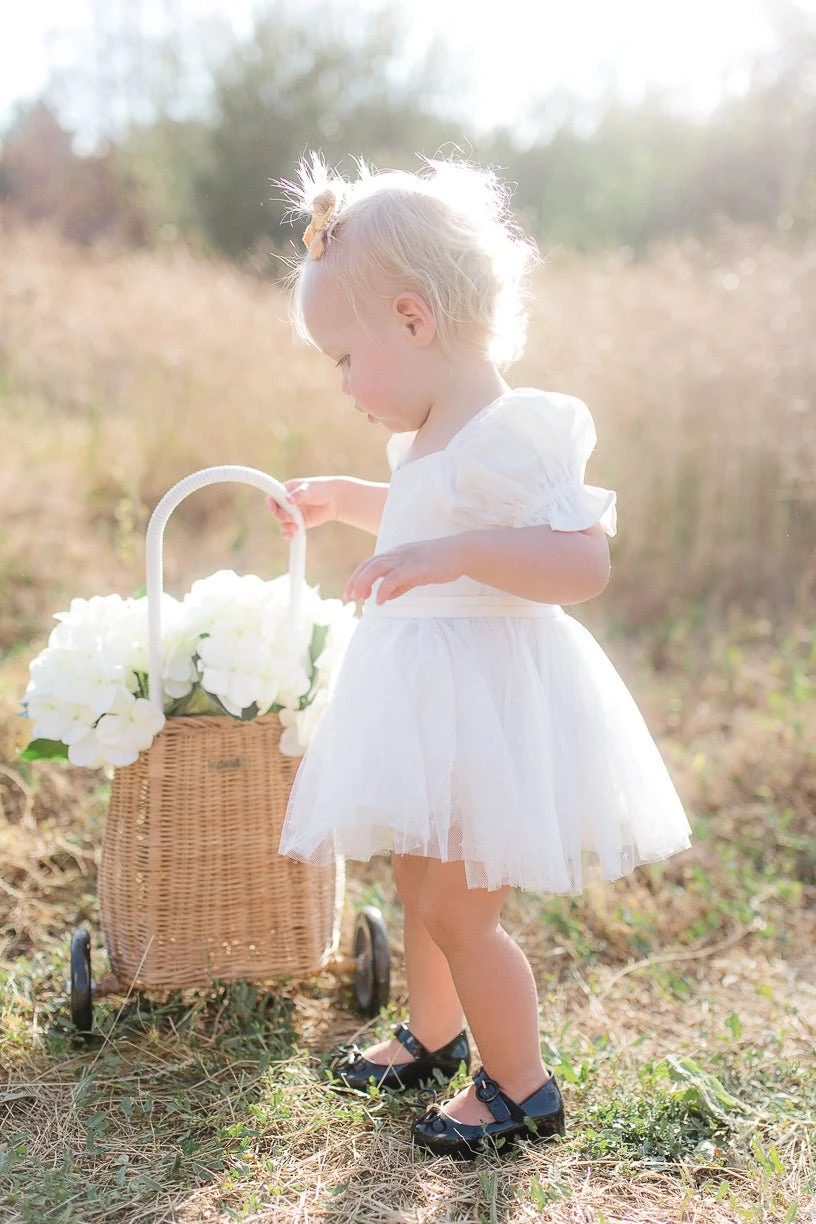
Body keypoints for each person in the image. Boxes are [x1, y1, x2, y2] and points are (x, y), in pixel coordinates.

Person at [267, 153, 692, 1159]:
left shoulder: (518, 431)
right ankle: (434, 1031)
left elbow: (579, 561)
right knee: (420, 887)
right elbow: (424, 509)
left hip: (486, 704)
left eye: (343, 358)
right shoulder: (425, 444)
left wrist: (449, 554)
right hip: (430, 703)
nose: (344, 387)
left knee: (460, 909)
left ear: (414, 320)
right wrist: (345, 498)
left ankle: (520, 1086)